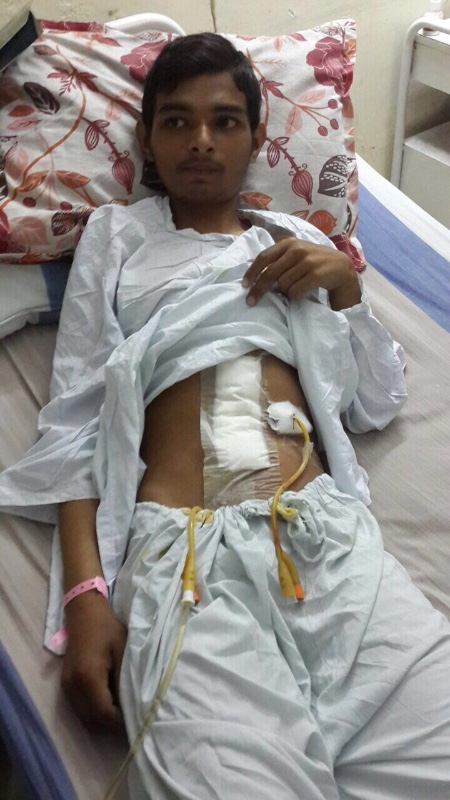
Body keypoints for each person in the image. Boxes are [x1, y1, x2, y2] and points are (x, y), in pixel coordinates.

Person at [0, 33, 449, 800]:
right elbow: (75, 420)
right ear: (148, 140)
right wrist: (86, 598)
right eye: (176, 121)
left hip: (330, 546)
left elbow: (374, 403)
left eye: (225, 120)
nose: (201, 139)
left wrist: (346, 289)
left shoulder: (299, 240)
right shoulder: (117, 236)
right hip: (187, 565)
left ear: (257, 136)